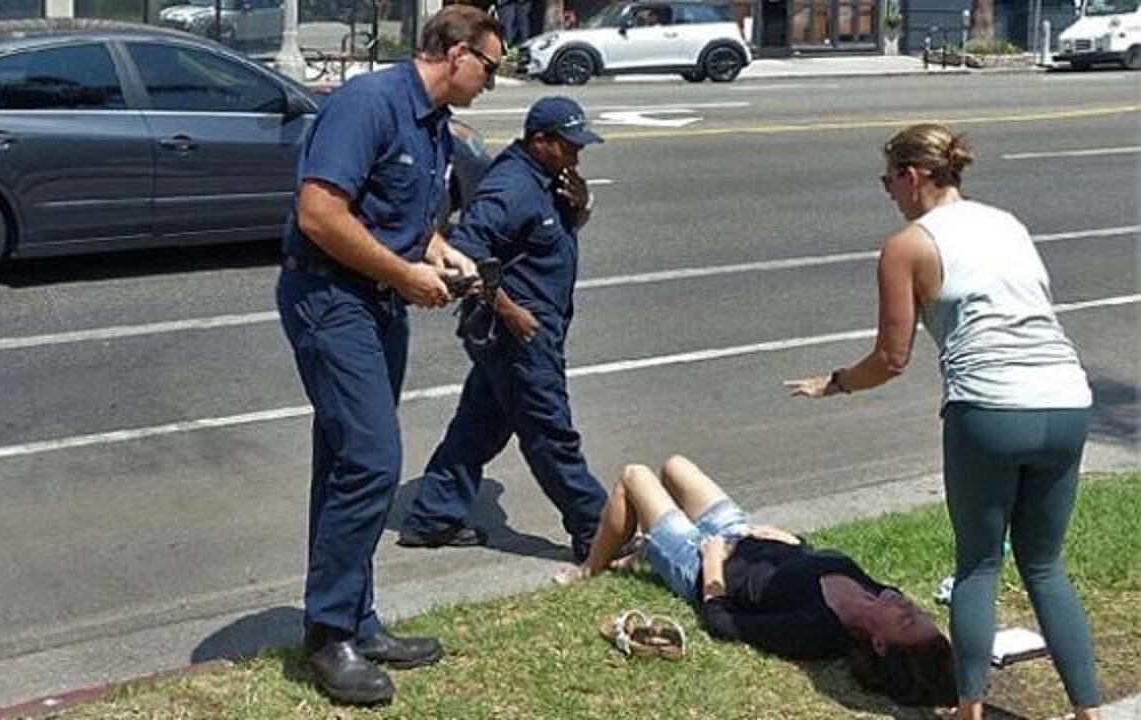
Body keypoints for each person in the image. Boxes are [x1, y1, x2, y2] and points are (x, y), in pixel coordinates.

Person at [786, 124, 1100, 720]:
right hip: (1065, 401)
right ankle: (1089, 711)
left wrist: (836, 383)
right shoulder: (1007, 223)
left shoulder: (907, 245)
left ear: (912, 176)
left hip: (988, 409)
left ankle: (969, 709)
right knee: (1044, 565)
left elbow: (890, 360)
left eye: (887, 182)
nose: (888, 194)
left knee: (979, 564)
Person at [275, 5, 504, 706]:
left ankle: (354, 619)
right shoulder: (368, 103)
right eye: (490, 67)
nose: (492, 83)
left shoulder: (434, 127)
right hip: (331, 299)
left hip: (376, 304)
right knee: (374, 460)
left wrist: (442, 255)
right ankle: (328, 638)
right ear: (457, 53)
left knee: (348, 461)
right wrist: (404, 274)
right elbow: (320, 213)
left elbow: (406, 222)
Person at [559, 455, 956, 707]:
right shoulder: (884, 595)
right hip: (745, 533)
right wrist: (792, 541)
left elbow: (722, 623)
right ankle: (643, 549)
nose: (907, 605)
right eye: (919, 612)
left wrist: (712, 562)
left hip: (699, 559)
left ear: (880, 643)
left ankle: (590, 567)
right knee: (676, 467)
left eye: (906, 620)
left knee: (634, 476)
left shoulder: (814, 631)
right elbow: (815, 561)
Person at [397, 97, 609, 562]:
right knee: (550, 432)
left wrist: (580, 203)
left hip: (530, 330)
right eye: (569, 146)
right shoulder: (511, 187)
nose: (576, 155)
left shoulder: (547, 179)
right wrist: (509, 309)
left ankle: (432, 518)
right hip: (517, 335)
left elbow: (541, 238)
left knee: (479, 426)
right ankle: (596, 529)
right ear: (540, 140)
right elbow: (466, 251)